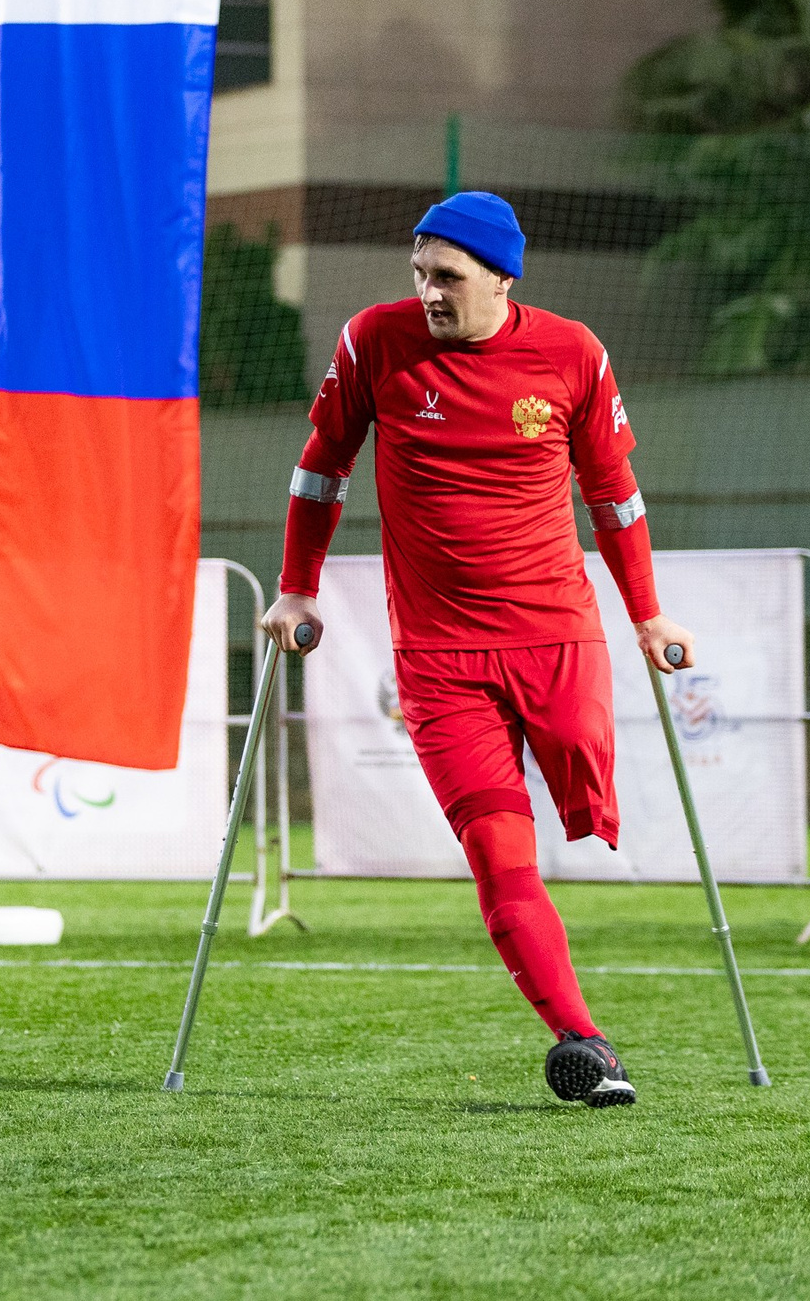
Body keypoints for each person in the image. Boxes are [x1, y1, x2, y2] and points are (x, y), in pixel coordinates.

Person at [260, 190, 693, 1109]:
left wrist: (648, 614)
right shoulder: (372, 341)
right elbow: (321, 466)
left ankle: (584, 1022)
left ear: (502, 276)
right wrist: (296, 585)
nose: (427, 293)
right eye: (418, 273)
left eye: (447, 276)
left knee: (587, 795)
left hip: (557, 638)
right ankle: (586, 1042)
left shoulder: (573, 353)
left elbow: (614, 494)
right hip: (439, 661)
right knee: (502, 855)